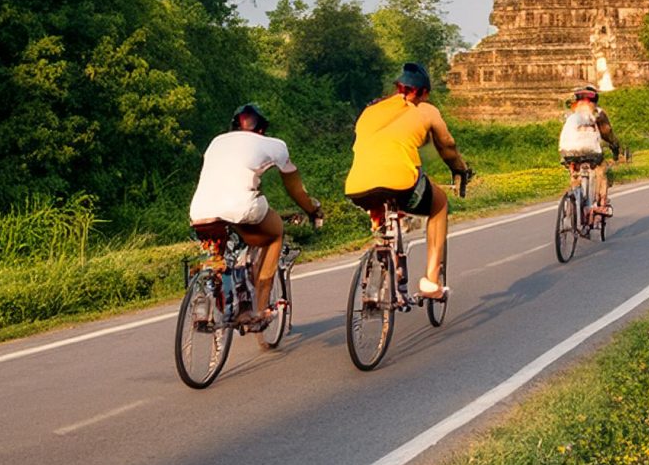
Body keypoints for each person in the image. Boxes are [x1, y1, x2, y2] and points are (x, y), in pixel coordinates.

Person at [187, 103, 324, 325]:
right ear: (261, 128)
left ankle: (214, 296)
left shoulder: (216, 142)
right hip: (240, 208)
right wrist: (312, 209)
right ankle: (259, 309)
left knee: (218, 258)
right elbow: (295, 189)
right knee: (275, 234)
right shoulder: (273, 144)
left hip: (201, 210)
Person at [344, 63, 472, 298]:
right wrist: (460, 170)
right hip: (400, 182)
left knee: (384, 205)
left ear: (398, 88)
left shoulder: (370, 111)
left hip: (356, 186)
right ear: (423, 92)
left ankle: (386, 251)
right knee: (439, 202)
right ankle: (431, 282)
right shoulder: (426, 110)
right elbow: (448, 147)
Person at [558, 84, 621, 218]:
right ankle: (600, 204)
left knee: (575, 172)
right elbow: (607, 132)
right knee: (601, 169)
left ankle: (574, 195)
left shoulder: (570, 114)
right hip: (591, 151)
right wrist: (615, 146)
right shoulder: (597, 112)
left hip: (567, 150)